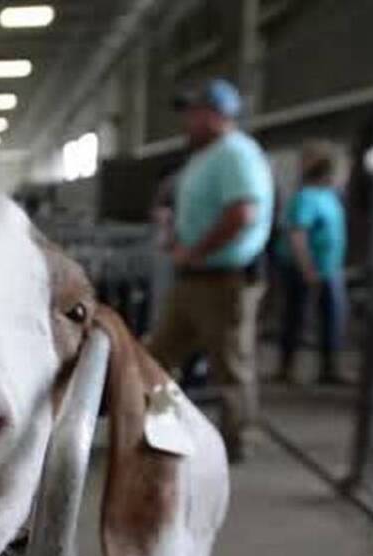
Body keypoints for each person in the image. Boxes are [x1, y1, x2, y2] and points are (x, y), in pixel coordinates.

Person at [148, 78, 275, 463]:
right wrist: (175, 232)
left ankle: (241, 439)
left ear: (218, 115)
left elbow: (243, 213)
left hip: (224, 278)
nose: (187, 119)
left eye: (195, 111)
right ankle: (161, 426)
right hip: (195, 278)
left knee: (231, 364)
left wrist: (196, 250)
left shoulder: (236, 153)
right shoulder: (205, 156)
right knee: (158, 355)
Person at [276, 142, 349, 385]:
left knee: (332, 319)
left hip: (329, 269)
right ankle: (286, 368)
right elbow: (298, 235)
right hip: (306, 269)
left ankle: (329, 368)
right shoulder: (305, 197)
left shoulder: (329, 196)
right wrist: (307, 268)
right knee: (296, 318)